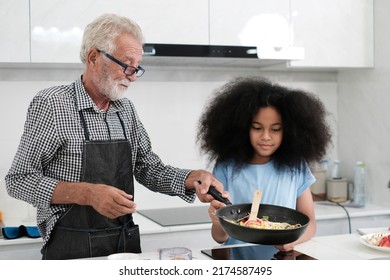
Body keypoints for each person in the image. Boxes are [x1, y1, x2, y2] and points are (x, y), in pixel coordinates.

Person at [5, 13, 223, 260]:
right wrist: (87, 193)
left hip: (124, 243)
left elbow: (147, 168)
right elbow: (19, 180)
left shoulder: (125, 109)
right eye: (126, 64)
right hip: (71, 248)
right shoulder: (53, 104)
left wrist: (191, 179)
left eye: (137, 68)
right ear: (94, 57)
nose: (132, 76)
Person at [197, 76, 332, 253]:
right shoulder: (227, 166)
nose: (266, 136)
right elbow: (220, 237)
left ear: (289, 130)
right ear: (243, 127)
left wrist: (292, 242)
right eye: (257, 128)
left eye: (275, 129)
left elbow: (310, 224)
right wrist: (217, 221)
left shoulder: (296, 166)